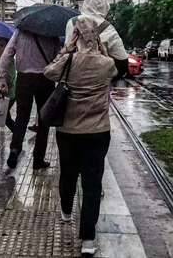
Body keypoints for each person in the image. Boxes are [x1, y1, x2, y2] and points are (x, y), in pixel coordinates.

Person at [44, 17, 118, 255]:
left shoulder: (68, 61)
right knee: (92, 183)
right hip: (98, 132)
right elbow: (115, 70)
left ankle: (66, 212)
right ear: (96, 37)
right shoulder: (106, 64)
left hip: (68, 131)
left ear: (74, 36)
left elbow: (48, 72)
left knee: (68, 173)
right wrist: (102, 48)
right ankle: (88, 240)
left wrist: (66, 49)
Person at [0, 29, 60, 169]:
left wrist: (1, 79)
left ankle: (15, 150)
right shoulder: (51, 33)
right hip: (45, 79)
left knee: (21, 117)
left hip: (24, 79)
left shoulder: (20, 32)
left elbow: (7, 55)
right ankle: (38, 159)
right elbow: (58, 59)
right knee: (44, 121)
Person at [65, 0, 128, 80]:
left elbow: (67, 49)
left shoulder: (71, 23)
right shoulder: (108, 29)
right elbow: (122, 62)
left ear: (85, 4)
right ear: (105, 7)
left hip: (74, 79)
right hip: (99, 82)